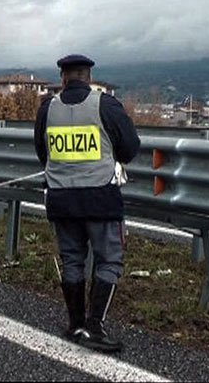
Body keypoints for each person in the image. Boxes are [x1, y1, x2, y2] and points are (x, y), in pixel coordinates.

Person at [34, 54, 140, 353]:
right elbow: (130, 148)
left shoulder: (47, 109)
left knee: (72, 259)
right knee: (109, 259)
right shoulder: (105, 105)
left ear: (63, 78)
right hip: (100, 199)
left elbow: (43, 153)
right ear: (89, 77)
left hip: (61, 198)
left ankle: (75, 324)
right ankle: (94, 327)